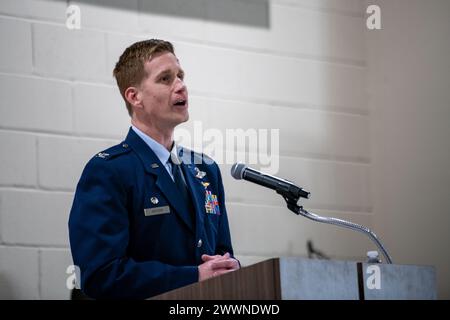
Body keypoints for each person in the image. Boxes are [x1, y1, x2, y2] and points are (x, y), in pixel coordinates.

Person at [68, 39, 240, 299]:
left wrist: (231, 268)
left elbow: (222, 254)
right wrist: (193, 277)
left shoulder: (206, 170)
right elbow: (101, 274)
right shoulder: (108, 171)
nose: (181, 85)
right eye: (165, 79)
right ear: (134, 96)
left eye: (180, 76)